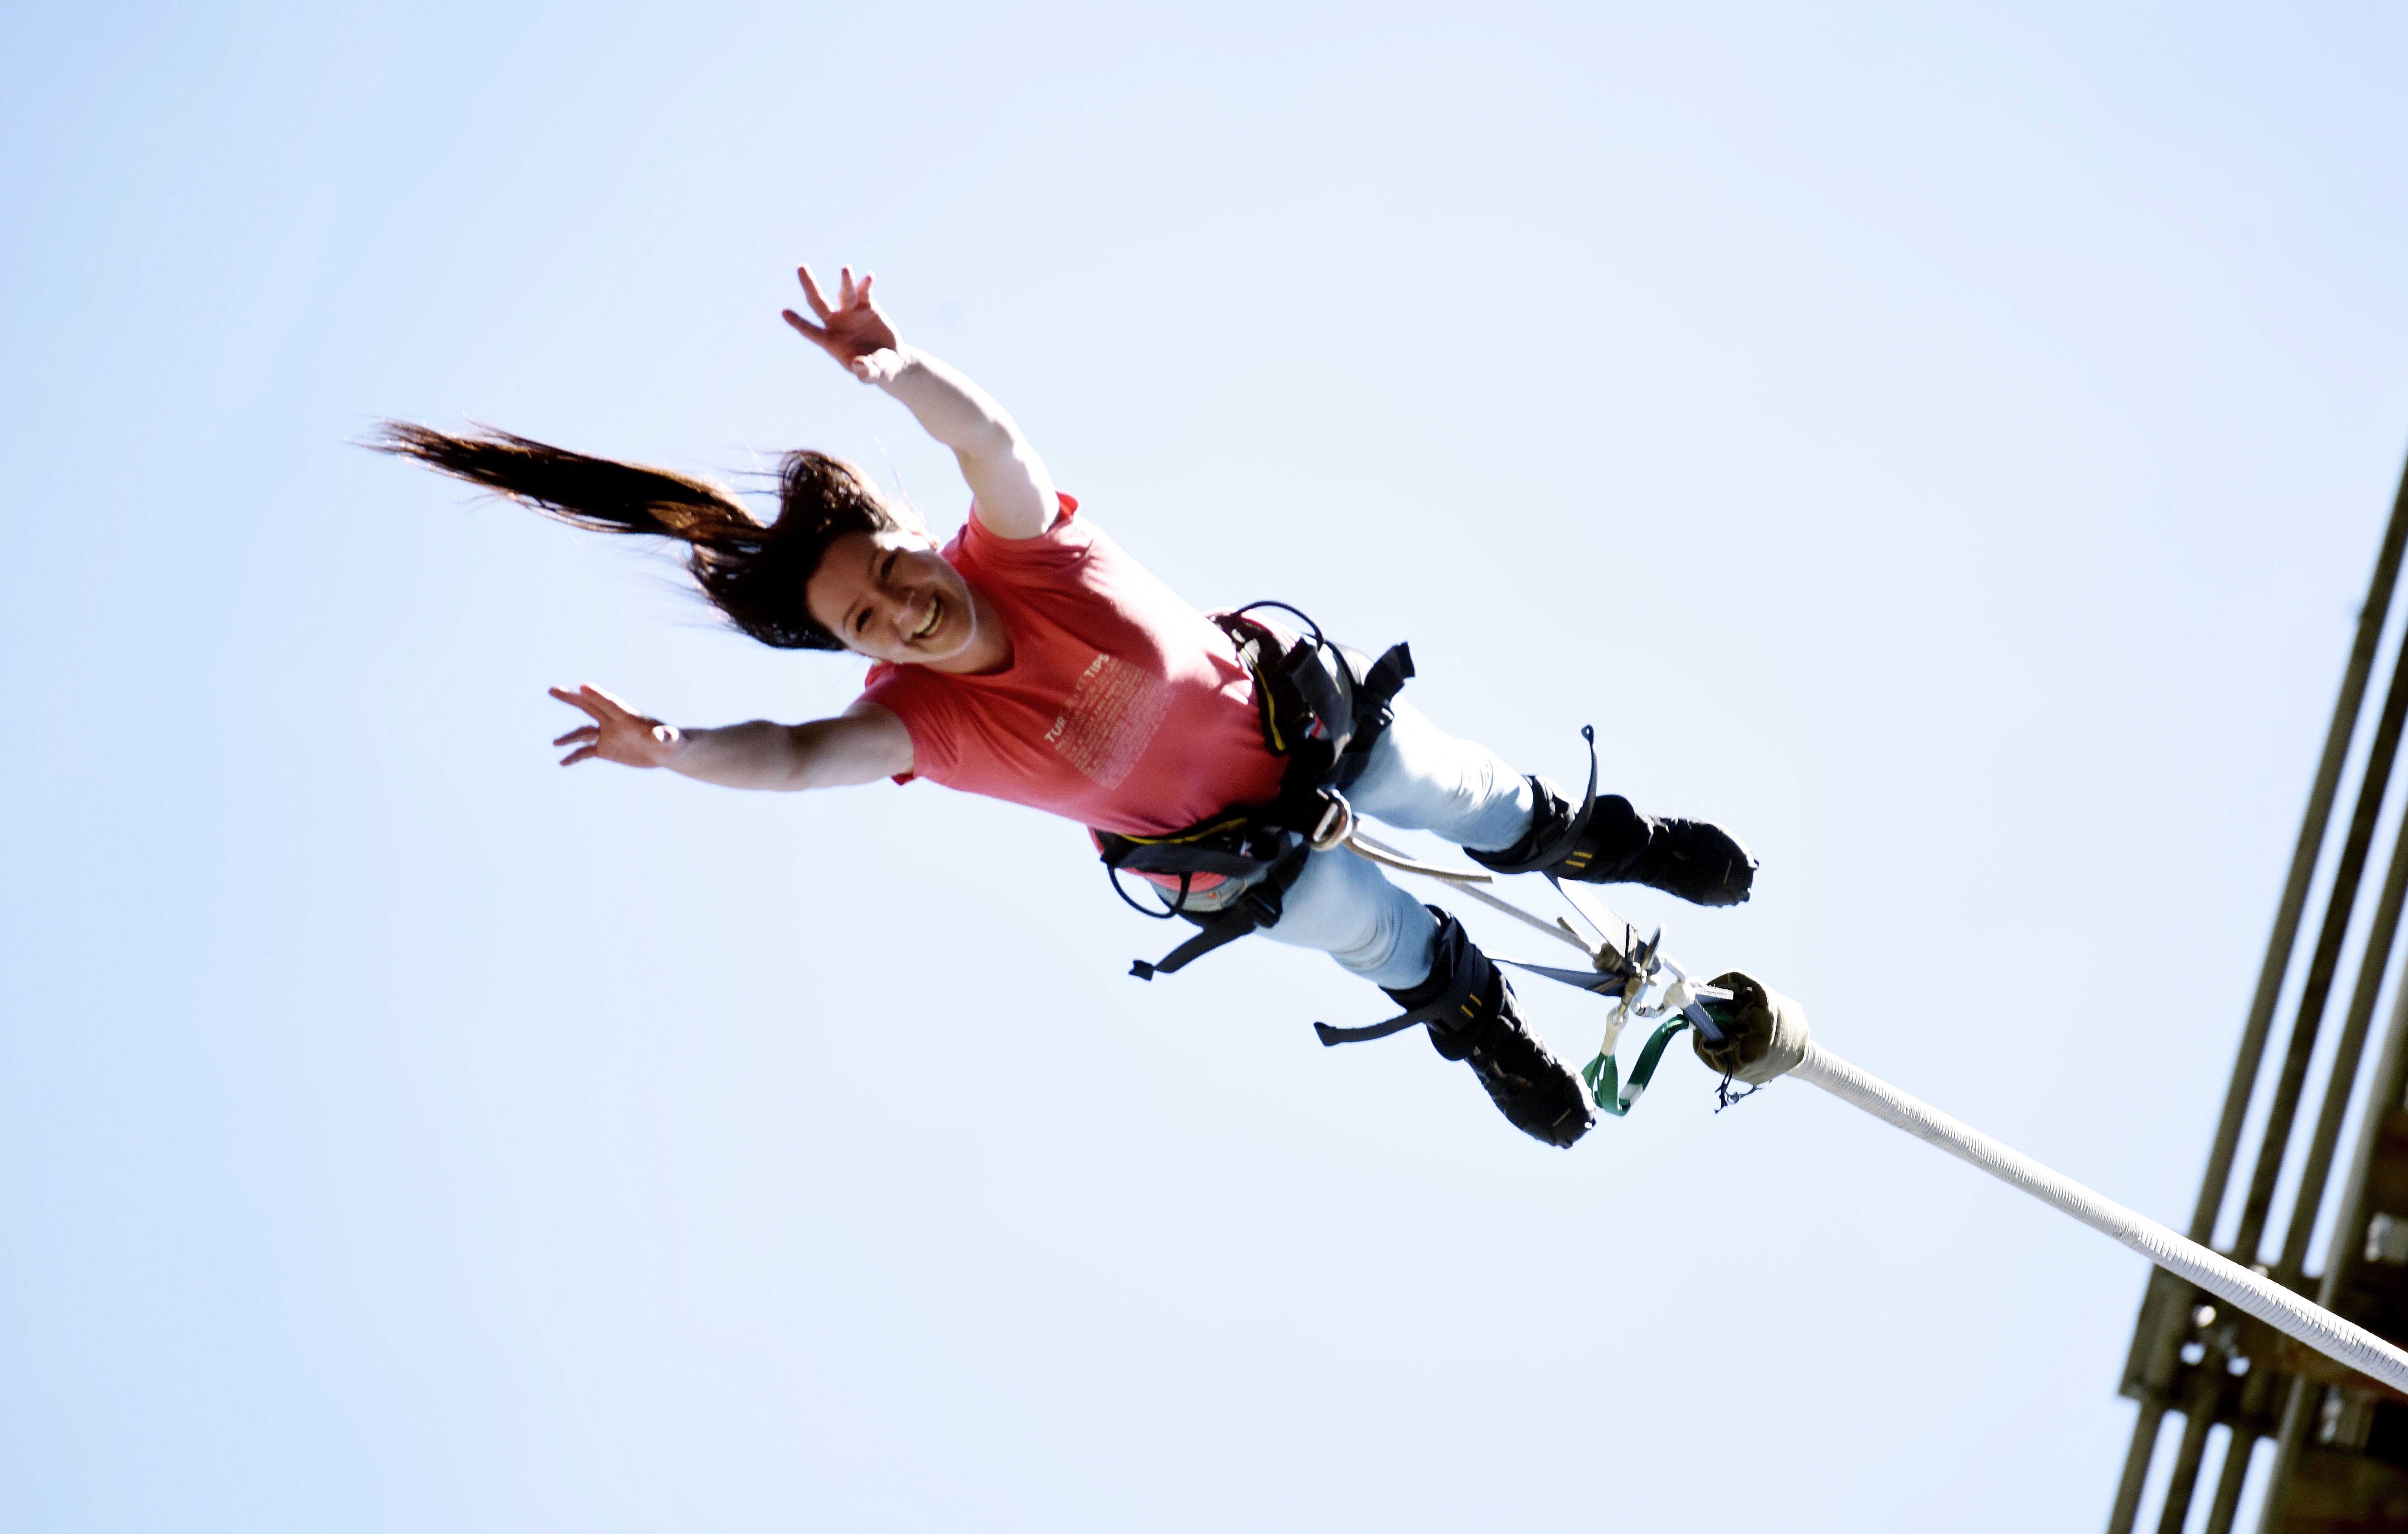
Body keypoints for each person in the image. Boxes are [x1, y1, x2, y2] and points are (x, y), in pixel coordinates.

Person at [378, 265, 1754, 1148]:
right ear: (857, 646)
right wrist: (670, 749)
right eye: (867, 619)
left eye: (894, 576)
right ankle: (1480, 1022)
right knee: (1364, 927)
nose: (904, 610)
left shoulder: (1019, 547)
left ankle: (1601, 840)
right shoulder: (914, 720)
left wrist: (894, 367)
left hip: (1307, 732)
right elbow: (796, 760)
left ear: (918, 540)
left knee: (1459, 799)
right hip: (1236, 855)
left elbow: (990, 443)